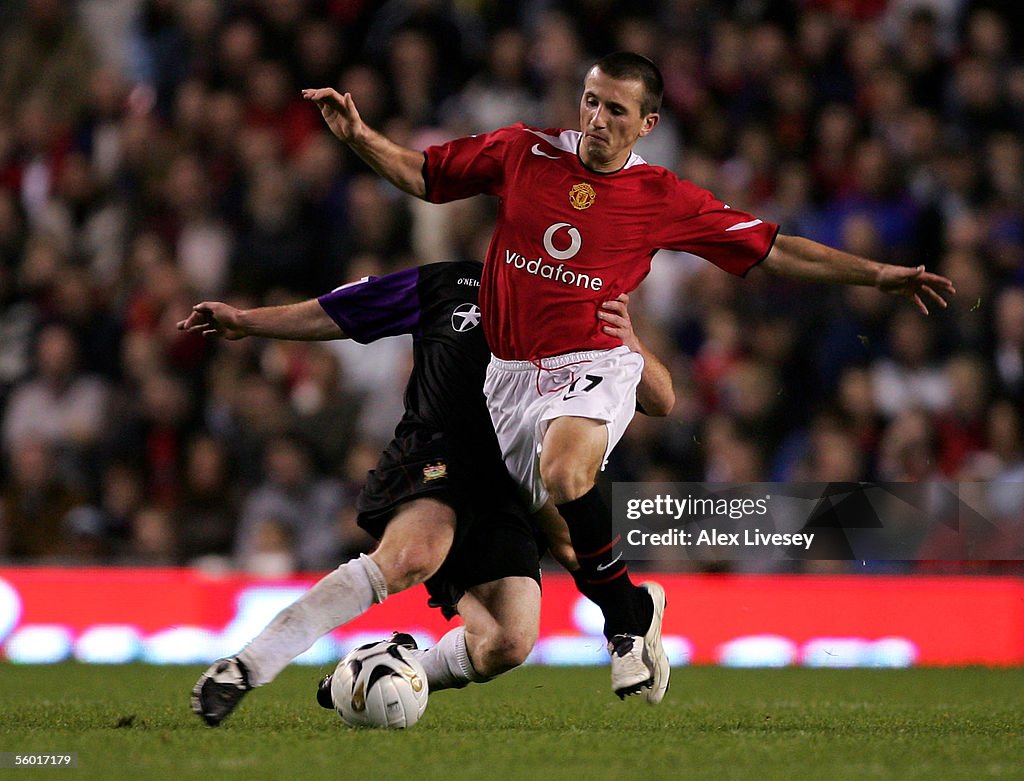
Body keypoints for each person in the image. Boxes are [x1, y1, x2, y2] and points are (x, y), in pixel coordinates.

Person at [301, 50, 957, 702]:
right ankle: (630, 606)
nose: (596, 118)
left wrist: (875, 274)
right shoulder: (523, 151)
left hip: (596, 358)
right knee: (559, 530)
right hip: (507, 379)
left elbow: (773, 247)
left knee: (565, 472)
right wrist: (360, 137)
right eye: (591, 100)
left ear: (646, 124)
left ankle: (624, 626)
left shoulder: (660, 196)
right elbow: (425, 174)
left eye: (616, 109)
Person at [185, 259, 673, 726]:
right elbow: (343, 310)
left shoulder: (578, 306)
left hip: (509, 482)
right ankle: (245, 668)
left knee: (509, 642)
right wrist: (247, 322)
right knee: (412, 555)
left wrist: (630, 341)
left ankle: (388, 667)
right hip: (437, 452)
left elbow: (660, 399)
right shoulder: (450, 284)